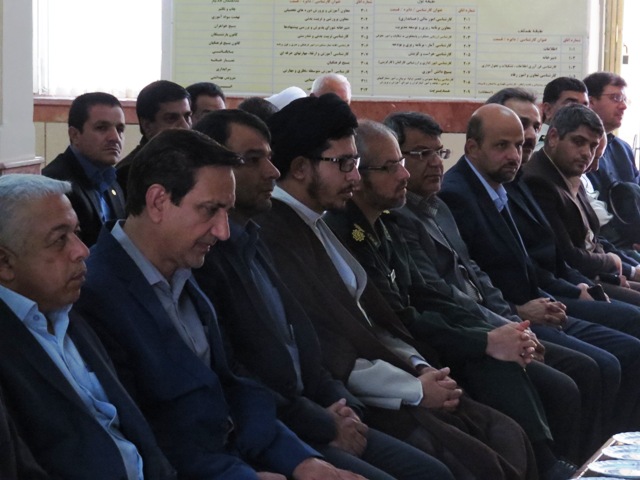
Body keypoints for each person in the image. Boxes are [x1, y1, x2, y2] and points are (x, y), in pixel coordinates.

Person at [256, 93, 541, 480]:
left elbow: (380, 318)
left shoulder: (315, 220)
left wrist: (419, 368)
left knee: (503, 432)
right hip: (356, 398)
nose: (354, 178)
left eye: (356, 164)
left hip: (399, 371)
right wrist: (413, 388)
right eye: (345, 164)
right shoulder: (277, 234)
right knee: (454, 464)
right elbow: (329, 349)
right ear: (301, 167)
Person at [75, 128, 364, 480]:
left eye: (226, 211)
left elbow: (231, 386)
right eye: (210, 210)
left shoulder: (185, 269)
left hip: (245, 453)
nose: (223, 231)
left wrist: (301, 461)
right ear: (158, 201)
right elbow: (144, 436)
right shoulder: (95, 293)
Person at [192, 108, 454, 480]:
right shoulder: (228, 250)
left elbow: (304, 343)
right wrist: (327, 420)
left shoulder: (254, 237)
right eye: (252, 160)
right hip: (283, 424)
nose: (272, 171)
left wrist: (342, 405)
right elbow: (249, 374)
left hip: (328, 403)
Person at [325, 119, 584, 473]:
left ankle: (554, 464)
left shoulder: (385, 223)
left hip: (443, 333)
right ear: (357, 174)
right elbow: (399, 318)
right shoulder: (347, 234)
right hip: (407, 353)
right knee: (514, 376)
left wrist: (499, 330)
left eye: (402, 162)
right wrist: (485, 340)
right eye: (391, 166)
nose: (404, 174)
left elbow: (432, 293)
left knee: (550, 375)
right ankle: (547, 465)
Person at [439, 103, 640, 437]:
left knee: (626, 349)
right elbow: (472, 279)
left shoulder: (504, 182)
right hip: (508, 315)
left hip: (538, 300)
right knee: (597, 366)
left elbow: (535, 261)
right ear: (472, 147)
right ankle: (594, 454)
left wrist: (557, 295)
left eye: (519, 145)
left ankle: (618, 446)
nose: (515, 154)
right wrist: (520, 310)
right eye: (502, 145)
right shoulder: (457, 194)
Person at [0, 174, 176, 480]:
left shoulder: (71, 311)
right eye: (59, 240)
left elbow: (136, 433)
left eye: (77, 233)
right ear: (4, 263)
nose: (82, 250)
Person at [42, 92, 126, 246]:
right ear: (74, 135)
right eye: (102, 128)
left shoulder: (111, 178)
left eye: (120, 129)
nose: (115, 138)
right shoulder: (56, 184)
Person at [584, 71, 640, 249]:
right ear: (591, 102)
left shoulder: (623, 148)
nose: (623, 106)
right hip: (602, 244)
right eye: (615, 98)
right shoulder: (576, 150)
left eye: (624, 100)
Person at [116, 80, 192, 195]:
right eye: (171, 118)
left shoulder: (196, 163)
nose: (185, 126)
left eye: (187, 116)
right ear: (147, 126)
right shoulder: (128, 172)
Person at [535, 77, 589, 152]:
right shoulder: (541, 148)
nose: (581, 111)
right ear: (548, 110)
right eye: (572, 105)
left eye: (585, 106)